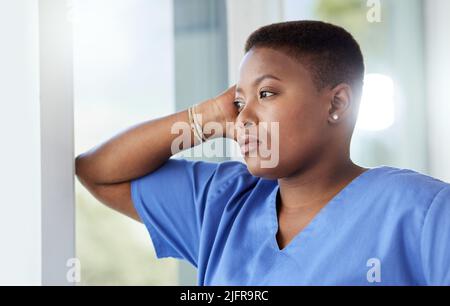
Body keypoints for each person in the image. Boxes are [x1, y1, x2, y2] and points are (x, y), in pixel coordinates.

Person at [75, 20, 450, 285]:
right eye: (239, 101)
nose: (244, 116)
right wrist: (209, 115)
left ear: (336, 103)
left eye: (267, 93)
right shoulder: (221, 203)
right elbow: (99, 171)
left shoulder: (423, 211)